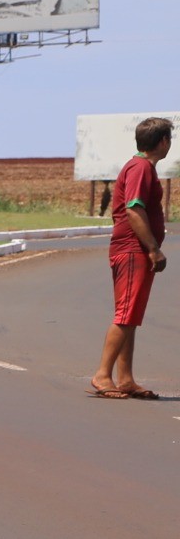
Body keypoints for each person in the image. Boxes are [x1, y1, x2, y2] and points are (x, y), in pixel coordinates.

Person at [89, 117, 171, 400]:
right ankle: (102, 375)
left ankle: (125, 379)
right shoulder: (140, 168)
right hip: (133, 249)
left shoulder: (141, 167)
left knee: (131, 315)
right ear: (163, 142)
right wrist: (153, 248)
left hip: (133, 249)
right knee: (125, 313)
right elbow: (134, 209)